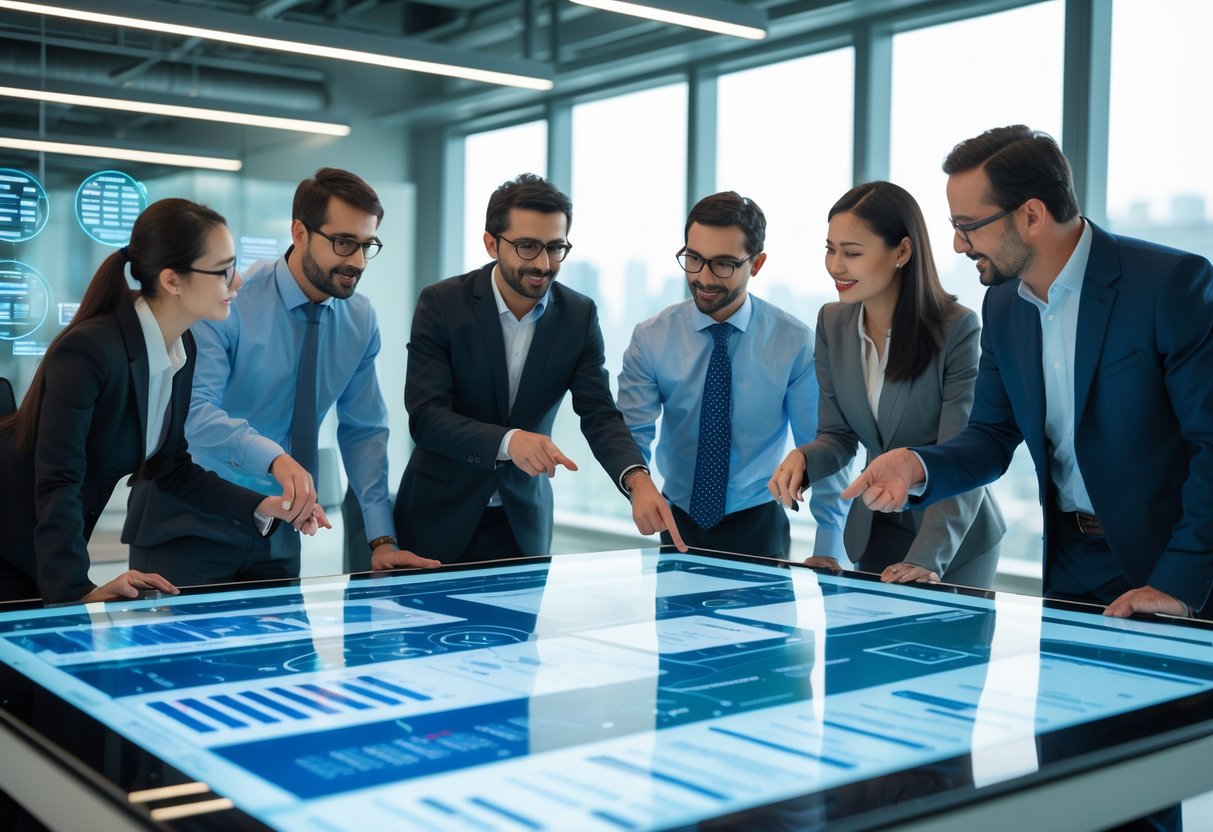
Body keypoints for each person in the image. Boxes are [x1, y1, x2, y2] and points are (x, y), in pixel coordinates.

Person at [845, 125, 1213, 626]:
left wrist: (1179, 581)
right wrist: (918, 465)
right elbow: (992, 436)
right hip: (1068, 565)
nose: (956, 244)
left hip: (1168, 568)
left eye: (968, 225)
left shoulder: (1169, 285)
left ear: (1032, 215)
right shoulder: (1002, 306)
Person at [0, 199, 323, 605]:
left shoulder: (180, 346)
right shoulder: (90, 351)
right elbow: (59, 479)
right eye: (222, 270)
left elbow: (171, 468)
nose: (237, 281)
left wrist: (263, 506)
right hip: (12, 539)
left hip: (41, 542)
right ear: (172, 280)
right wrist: (76, 591)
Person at [128, 169, 439, 584]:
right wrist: (275, 459)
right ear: (300, 232)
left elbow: (363, 431)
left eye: (367, 245)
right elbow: (194, 413)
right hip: (188, 518)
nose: (358, 261)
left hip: (278, 528)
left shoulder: (360, 319)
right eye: (344, 242)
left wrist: (381, 538)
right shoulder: (227, 303)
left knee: (284, 650)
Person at [395, 173, 683, 562]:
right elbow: (427, 418)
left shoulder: (579, 316)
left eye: (555, 248)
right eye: (528, 247)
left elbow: (598, 413)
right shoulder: (443, 304)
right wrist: (509, 441)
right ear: (491, 243)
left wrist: (636, 479)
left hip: (521, 526)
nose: (544, 264)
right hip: (435, 520)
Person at [767, 182, 1004, 585]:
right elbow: (838, 437)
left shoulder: (956, 329)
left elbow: (965, 457)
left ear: (902, 252)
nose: (836, 266)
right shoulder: (832, 323)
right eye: (830, 249)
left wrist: (928, 559)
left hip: (951, 538)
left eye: (852, 253)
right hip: (875, 525)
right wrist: (805, 460)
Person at [617, 191, 846, 558]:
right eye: (693, 259)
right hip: (677, 523)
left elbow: (824, 447)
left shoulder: (793, 342)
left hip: (759, 526)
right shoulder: (651, 337)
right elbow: (630, 432)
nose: (704, 277)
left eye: (723, 264)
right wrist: (637, 484)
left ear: (756, 264)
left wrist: (829, 546)